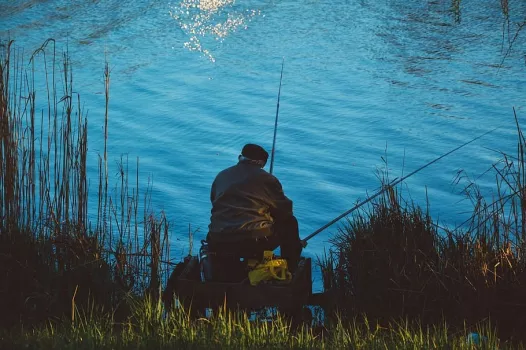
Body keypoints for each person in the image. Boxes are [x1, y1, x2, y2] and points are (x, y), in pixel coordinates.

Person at [204, 143, 302, 282]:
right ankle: (290, 268)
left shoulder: (221, 176)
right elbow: (285, 211)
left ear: (241, 158)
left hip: (219, 239)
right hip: (252, 242)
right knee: (290, 223)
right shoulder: (267, 179)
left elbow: (215, 202)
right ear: (260, 163)